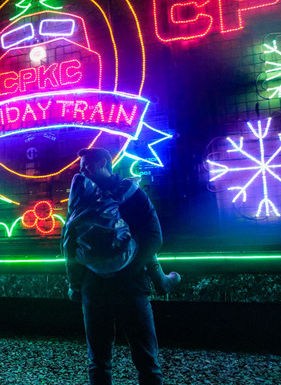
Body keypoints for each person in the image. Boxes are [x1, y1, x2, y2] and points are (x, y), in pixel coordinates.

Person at [62, 147, 181, 385]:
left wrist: (78, 282)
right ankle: (163, 281)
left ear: (105, 162)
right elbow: (152, 237)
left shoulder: (107, 197)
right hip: (118, 286)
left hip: (115, 286)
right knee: (110, 361)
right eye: (81, 166)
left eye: (88, 164)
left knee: (130, 361)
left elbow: (69, 243)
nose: (83, 170)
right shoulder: (119, 193)